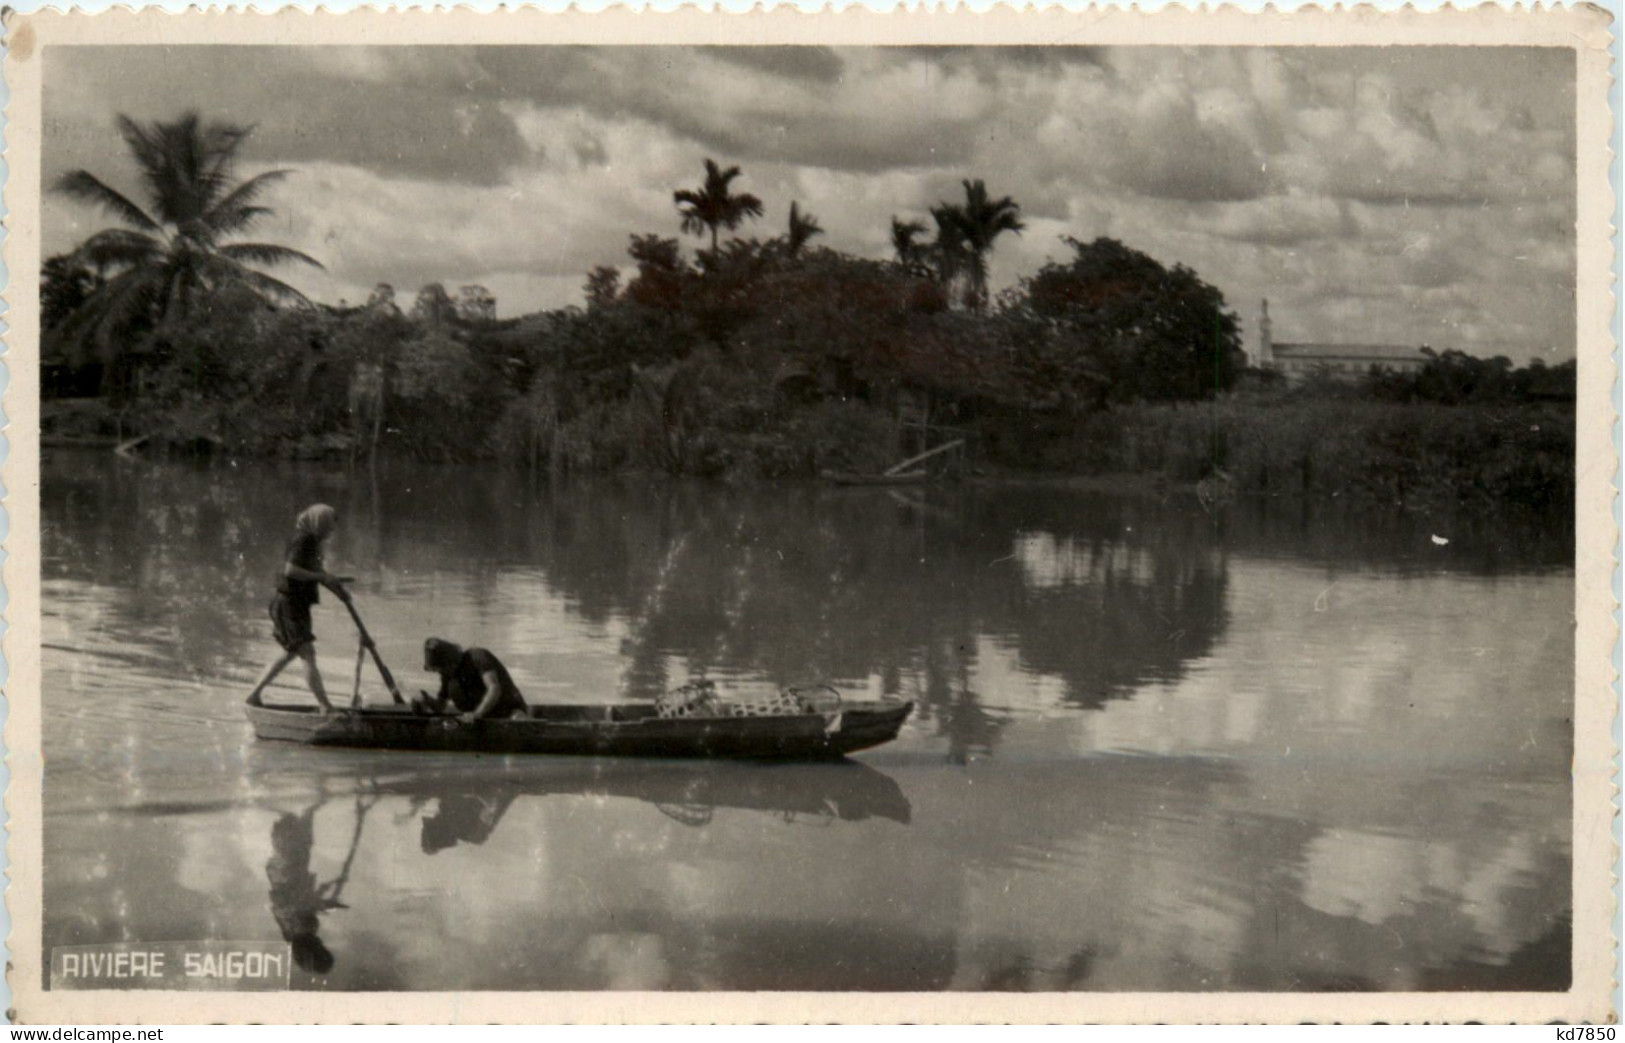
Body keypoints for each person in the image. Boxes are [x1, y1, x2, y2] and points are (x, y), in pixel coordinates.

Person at [246, 504, 356, 712]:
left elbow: (316, 573)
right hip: (288, 605)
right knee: (307, 653)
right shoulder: (303, 539)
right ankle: (325, 706)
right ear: (318, 522)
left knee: (290, 652)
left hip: (297, 605)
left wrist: (336, 588)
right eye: (328, 527)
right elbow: (291, 570)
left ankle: (254, 695)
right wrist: (321, 577)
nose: (330, 532)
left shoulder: (312, 541)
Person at [417, 638, 529, 723]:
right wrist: (426, 701)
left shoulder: (478, 657)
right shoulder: (447, 674)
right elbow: (440, 706)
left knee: (517, 719)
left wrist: (477, 714)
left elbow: (494, 688)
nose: (440, 672)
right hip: (478, 719)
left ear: (451, 661)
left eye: (441, 668)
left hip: (509, 713)